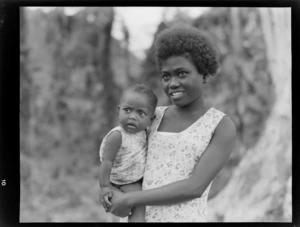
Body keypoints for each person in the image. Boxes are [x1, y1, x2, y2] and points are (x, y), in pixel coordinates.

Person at [99, 23, 236, 222]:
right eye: (166, 76)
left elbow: (195, 187)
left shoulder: (220, 126)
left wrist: (129, 199)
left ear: (204, 74)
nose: (172, 83)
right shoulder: (151, 117)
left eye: (182, 73)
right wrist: (109, 191)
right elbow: (119, 154)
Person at [98, 84, 157, 222]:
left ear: (151, 119)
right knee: (138, 202)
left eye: (140, 113)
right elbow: (107, 162)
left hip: (134, 178)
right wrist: (105, 187)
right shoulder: (117, 136)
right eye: (127, 110)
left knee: (128, 206)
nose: (132, 117)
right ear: (119, 110)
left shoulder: (144, 133)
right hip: (121, 180)